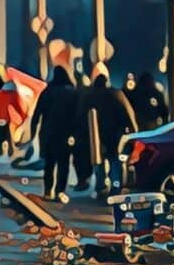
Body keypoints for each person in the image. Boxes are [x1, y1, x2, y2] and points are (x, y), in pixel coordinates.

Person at [77, 65, 138, 195]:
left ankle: (100, 185)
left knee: (98, 161)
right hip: (115, 134)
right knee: (115, 160)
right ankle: (115, 186)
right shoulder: (116, 94)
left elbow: (80, 115)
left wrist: (81, 133)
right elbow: (129, 113)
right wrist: (134, 131)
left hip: (95, 135)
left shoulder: (89, 95)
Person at [29, 66, 78, 201]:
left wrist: (32, 132)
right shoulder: (72, 92)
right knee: (64, 164)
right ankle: (60, 191)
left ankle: (47, 190)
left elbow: (37, 113)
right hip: (66, 133)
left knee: (49, 164)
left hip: (48, 133)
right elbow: (78, 114)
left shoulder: (48, 91)